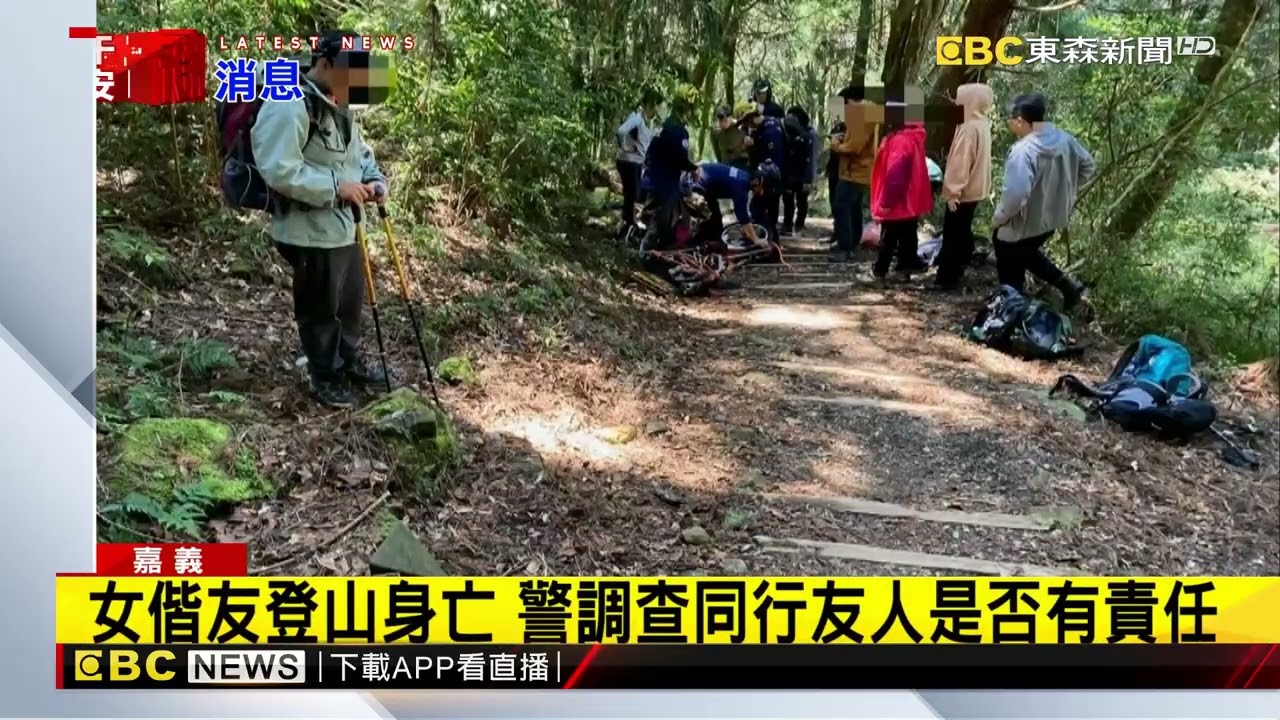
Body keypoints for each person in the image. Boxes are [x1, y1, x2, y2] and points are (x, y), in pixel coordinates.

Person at [251, 31, 390, 409]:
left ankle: (349, 363)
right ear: (326, 64)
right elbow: (278, 169)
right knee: (320, 309)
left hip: (344, 226)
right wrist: (336, 187)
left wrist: (373, 179)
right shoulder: (288, 103)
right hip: (307, 230)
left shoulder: (338, 100)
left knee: (349, 303)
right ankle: (325, 375)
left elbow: (357, 154)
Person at [991, 92, 1095, 311]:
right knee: (1026, 252)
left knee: (1006, 247)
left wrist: (999, 218)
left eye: (1010, 119)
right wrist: (1065, 191)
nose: (1009, 124)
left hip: (1025, 220)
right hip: (1052, 219)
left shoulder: (1023, 151)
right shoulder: (1065, 139)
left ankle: (1011, 306)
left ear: (1020, 120)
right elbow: (1088, 166)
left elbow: (1016, 195)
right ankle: (1068, 286)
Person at [932, 83, 994, 292]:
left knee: (952, 235)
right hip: (975, 190)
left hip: (962, 192)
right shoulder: (982, 124)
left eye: (961, 99)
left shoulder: (968, 129)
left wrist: (952, 192)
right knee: (962, 231)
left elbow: (960, 163)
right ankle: (959, 267)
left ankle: (946, 280)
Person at [869, 100, 932, 282]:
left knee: (888, 238)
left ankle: (879, 272)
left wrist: (886, 202)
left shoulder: (900, 141)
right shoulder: (912, 137)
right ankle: (904, 269)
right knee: (908, 236)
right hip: (909, 201)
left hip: (898, 201)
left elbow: (896, 174)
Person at [639, 97, 700, 252]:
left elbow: (649, 154)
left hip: (651, 180)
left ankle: (655, 250)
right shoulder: (679, 131)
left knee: (658, 220)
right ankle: (643, 254)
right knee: (659, 224)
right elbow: (680, 159)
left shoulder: (663, 127)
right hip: (665, 184)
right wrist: (693, 168)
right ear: (686, 112)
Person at [829, 84, 877, 263]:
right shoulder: (867, 114)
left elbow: (854, 147)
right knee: (853, 208)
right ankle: (853, 243)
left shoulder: (859, 115)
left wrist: (836, 145)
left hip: (853, 171)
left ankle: (845, 248)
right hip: (860, 170)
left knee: (841, 206)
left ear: (848, 101)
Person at [692, 161, 775, 247]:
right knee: (711, 221)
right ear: (757, 181)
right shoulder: (741, 186)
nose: (761, 193)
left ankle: (708, 243)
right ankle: (695, 246)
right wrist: (756, 239)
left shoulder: (743, 177)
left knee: (716, 224)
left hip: (704, 186)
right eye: (763, 189)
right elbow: (742, 216)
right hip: (696, 186)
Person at [616, 90, 661, 239]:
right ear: (649, 105)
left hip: (636, 163)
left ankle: (627, 226)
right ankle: (627, 226)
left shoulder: (648, 122)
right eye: (655, 106)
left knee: (631, 196)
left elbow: (647, 141)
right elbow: (621, 131)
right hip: (629, 162)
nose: (656, 110)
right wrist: (624, 147)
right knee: (633, 196)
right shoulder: (636, 118)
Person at [747, 110, 787, 242]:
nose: (748, 126)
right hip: (767, 177)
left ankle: (769, 239)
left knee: (759, 208)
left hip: (771, 178)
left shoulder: (771, 131)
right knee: (762, 209)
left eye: (748, 122)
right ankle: (770, 239)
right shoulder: (762, 128)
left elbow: (773, 159)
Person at [780, 105, 818, 236]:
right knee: (788, 201)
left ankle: (799, 225)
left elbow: (812, 158)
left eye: (792, 116)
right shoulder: (786, 132)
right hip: (789, 173)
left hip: (803, 174)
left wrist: (810, 179)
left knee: (802, 202)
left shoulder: (810, 133)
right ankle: (787, 225)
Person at [712, 104, 752, 171]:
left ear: (730, 117)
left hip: (741, 164)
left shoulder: (741, 128)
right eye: (720, 120)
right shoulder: (717, 133)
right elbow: (718, 152)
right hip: (725, 164)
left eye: (725, 120)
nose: (722, 123)